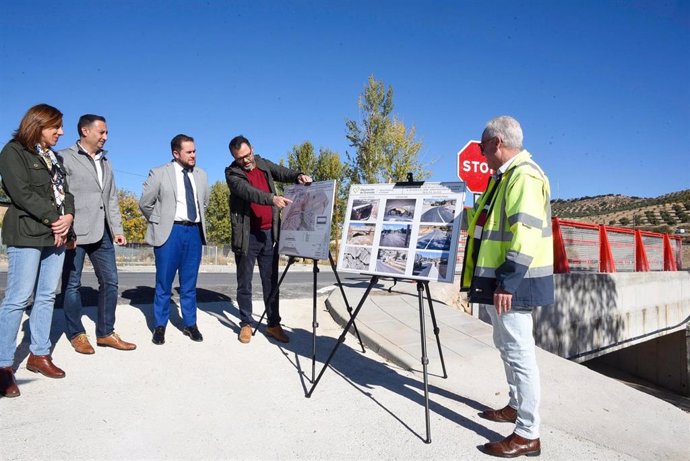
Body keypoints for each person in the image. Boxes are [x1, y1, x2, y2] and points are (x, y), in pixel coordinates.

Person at [461, 116, 553, 458]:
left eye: (483, 146)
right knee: (505, 344)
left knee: (519, 352)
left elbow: (525, 232)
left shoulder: (524, 176)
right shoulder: (505, 178)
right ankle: (515, 405)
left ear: (497, 143)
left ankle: (528, 434)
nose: (482, 152)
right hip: (501, 280)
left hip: (514, 282)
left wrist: (508, 281)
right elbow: (488, 226)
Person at [0, 104, 75, 398]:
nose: (61, 132)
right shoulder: (13, 152)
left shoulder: (53, 157)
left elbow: (65, 192)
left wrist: (68, 216)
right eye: (55, 127)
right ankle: (4, 366)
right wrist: (55, 219)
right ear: (38, 125)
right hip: (28, 233)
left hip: (55, 235)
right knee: (17, 299)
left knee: (45, 296)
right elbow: (21, 193)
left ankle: (39, 355)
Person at [58, 114, 136, 354]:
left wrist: (117, 229)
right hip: (75, 232)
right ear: (84, 131)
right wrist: (64, 228)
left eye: (106, 132)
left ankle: (105, 332)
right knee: (72, 285)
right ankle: (77, 334)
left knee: (110, 281)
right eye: (101, 132)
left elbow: (111, 198)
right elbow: (59, 195)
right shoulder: (64, 157)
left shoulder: (106, 162)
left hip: (102, 232)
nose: (105, 136)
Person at [225, 135, 312, 344]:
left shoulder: (263, 163)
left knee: (271, 282)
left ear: (252, 149)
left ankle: (273, 324)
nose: (245, 161)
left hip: (269, 235)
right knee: (244, 282)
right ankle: (246, 323)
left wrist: (298, 176)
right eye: (240, 158)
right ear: (234, 159)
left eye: (247, 155)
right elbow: (249, 192)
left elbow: (282, 171)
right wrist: (271, 199)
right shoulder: (232, 173)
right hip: (247, 235)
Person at [139, 134, 208, 345]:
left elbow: (203, 204)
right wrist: (160, 222)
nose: (193, 155)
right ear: (175, 153)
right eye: (189, 152)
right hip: (170, 234)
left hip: (194, 233)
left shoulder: (202, 175)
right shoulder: (159, 173)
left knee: (189, 284)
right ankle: (160, 326)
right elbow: (145, 203)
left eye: (194, 151)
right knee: (164, 283)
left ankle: (190, 324)